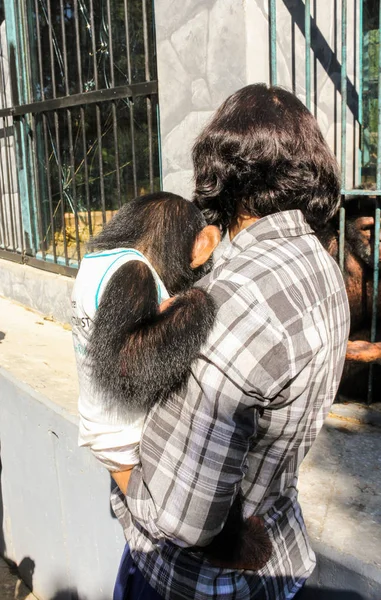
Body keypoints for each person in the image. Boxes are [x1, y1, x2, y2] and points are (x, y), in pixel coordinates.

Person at [111, 84, 350, 600]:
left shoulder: (229, 306)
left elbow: (182, 520)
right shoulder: (322, 268)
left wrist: (117, 469)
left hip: (194, 583)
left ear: (222, 171)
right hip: (274, 553)